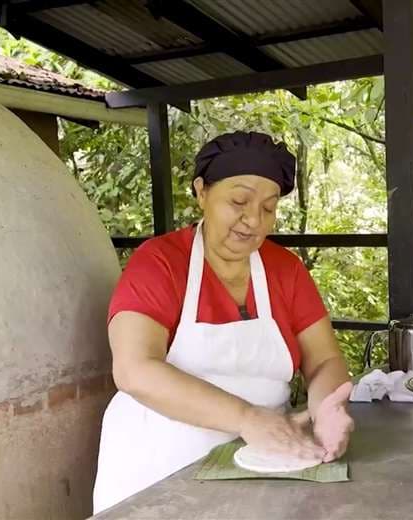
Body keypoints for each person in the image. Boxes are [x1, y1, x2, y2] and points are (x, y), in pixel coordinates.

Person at [92, 131, 354, 513]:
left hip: (263, 465)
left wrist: (328, 408)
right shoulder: (160, 262)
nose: (253, 221)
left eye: (268, 207)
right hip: (156, 474)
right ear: (201, 192)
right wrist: (247, 419)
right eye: (239, 201)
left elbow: (325, 361)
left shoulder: (287, 271)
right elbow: (134, 370)